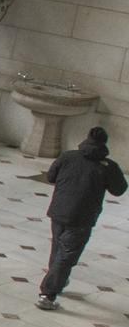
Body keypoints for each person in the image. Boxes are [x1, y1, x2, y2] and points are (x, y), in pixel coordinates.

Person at [38, 125, 127, 310]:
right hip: (82, 217)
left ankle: (57, 283)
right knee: (67, 256)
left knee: (58, 248)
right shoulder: (108, 166)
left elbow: (51, 177)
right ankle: (48, 294)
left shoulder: (68, 156)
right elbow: (119, 189)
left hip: (59, 211)